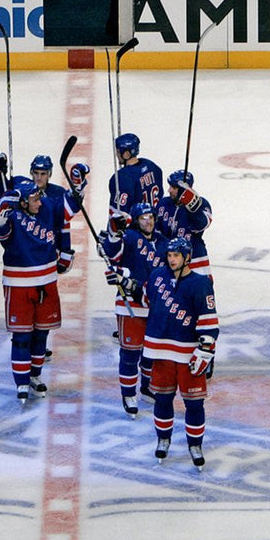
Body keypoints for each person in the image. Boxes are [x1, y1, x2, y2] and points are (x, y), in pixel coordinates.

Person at [118, 237, 218, 468]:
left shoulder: (201, 283)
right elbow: (144, 298)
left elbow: (209, 321)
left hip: (187, 354)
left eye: (176, 256)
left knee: (194, 404)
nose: (171, 259)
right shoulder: (157, 276)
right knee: (162, 400)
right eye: (169, 255)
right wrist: (126, 282)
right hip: (161, 351)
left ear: (187, 257)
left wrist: (205, 350)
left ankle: (195, 444)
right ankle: (163, 440)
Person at [0, 178, 64, 401]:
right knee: (22, 336)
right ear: (21, 202)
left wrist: (79, 186)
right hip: (19, 282)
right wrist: (1, 212)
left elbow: (68, 207)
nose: (39, 202)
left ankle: (34, 376)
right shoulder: (11, 216)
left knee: (41, 333)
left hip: (47, 280)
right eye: (34, 198)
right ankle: (21, 382)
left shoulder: (47, 206)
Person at [100, 201, 170, 417]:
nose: (147, 220)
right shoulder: (129, 237)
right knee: (130, 354)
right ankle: (128, 393)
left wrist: (127, 276)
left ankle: (146, 386)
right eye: (142, 218)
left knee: (151, 353)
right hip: (129, 305)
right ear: (136, 221)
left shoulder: (164, 242)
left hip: (156, 307)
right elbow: (110, 253)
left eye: (150, 216)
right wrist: (114, 231)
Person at [155, 169, 213, 277]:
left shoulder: (201, 203)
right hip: (168, 260)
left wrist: (192, 207)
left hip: (194, 261)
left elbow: (202, 224)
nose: (169, 190)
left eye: (174, 187)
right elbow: (155, 233)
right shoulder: (163, 203)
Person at [108, 133, 163, 215]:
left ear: (126, 154)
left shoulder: (122, 177)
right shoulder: (151, 165)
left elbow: (118, 213)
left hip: (137, 224)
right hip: (153, 221)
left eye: (118, 152)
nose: (116, 154)